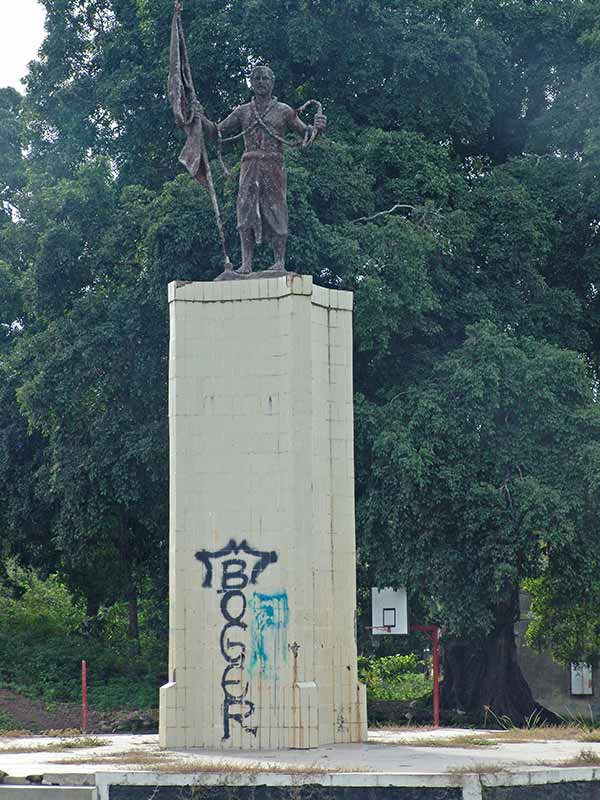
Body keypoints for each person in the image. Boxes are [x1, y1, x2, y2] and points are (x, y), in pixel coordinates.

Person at [200, 65, 327, 274]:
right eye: (257, 78)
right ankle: (247, 262)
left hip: (273, 164)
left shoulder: (284, 111)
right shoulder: (242, 111)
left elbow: (306, 133)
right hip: (250, 164)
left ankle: (279, 261)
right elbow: (217, 132)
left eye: (265, 78)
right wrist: (200, 118)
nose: (261, 82)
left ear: (272, 82)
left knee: (276, 210)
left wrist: (318, 128)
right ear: (251, 83)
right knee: (245, 210)